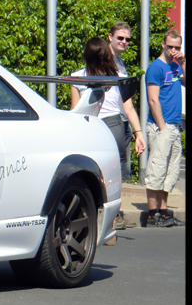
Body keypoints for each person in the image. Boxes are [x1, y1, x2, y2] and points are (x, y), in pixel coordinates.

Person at [71, 37, 145, 230]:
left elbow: (75, 110)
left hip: (90, 125)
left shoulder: (77, 77)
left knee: (88, 172)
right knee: (113, 176)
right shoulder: (118, 77)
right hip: (114, 125)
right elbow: (128, 108)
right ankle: (112, 220)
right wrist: (139, 133)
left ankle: (89, 214)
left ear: (86, 55)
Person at [106, 22, 147, 227]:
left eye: (127, 39)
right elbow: (126, 102)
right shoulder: (104, 60)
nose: (124, 42)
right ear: (110, 37)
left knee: (118, 172)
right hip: (110, 120)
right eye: (120, 38)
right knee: (111, 172)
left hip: (120, 121)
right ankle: (111, 217)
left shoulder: (120, 62)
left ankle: (115, 214)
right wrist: (139, 132)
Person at [143, 29, 185, 228]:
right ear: (163, 45)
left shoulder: (176, 66)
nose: (173, 50)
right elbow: (153, 99)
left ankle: (164, 211)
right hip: (162, 125)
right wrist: (162, 126)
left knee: (171, 171)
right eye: (170, 46)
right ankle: (153, 215)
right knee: (157, 170)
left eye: (177, 47)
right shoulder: (155, 68)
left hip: (175, 125)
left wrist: (183, 62)